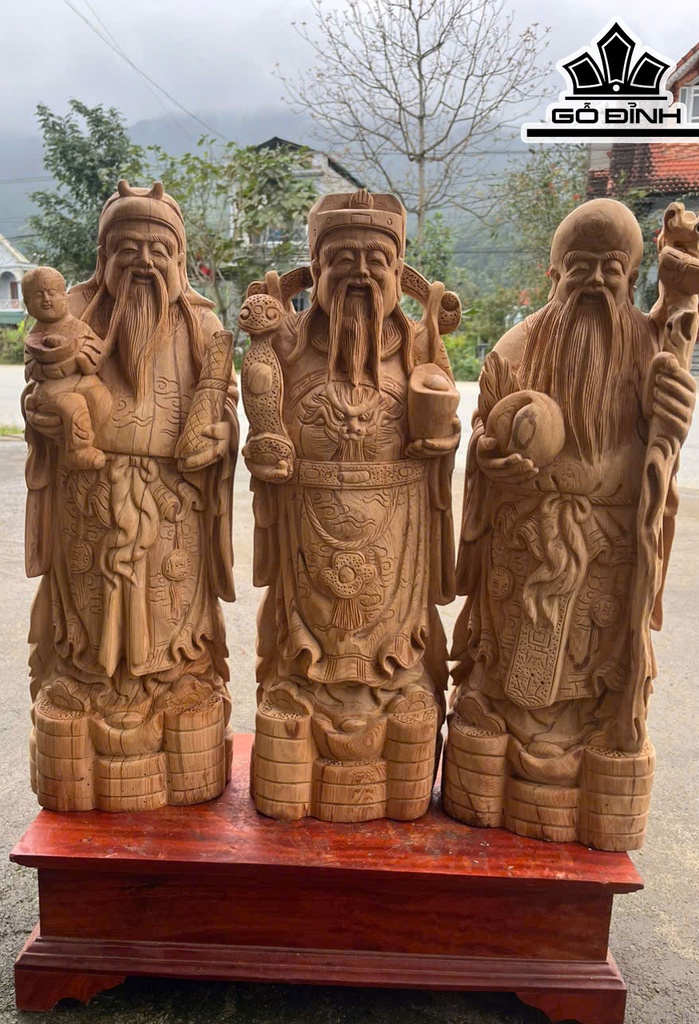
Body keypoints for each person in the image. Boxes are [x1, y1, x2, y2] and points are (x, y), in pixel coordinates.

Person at [445, 198, 699, 850]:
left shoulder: (651, 347)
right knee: (511, 647)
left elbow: (660, 451)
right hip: (528, 536)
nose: (593, 280)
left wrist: (673, 420)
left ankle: (585, 738)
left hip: (607, 546)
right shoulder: (515, 348)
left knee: (596, 655)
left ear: (633, 276)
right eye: (579, 266)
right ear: (554, 272)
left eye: (611, 267)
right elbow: (484, 429)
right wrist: (489, 457)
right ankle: (502, 725)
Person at [240, 189, 460, 822]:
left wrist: (442, 441)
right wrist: (265, 451)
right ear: (316, 268)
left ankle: (392, 687)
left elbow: (443, 415)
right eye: (343, 259)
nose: (361, 272)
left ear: (398, 270)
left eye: (376, 259)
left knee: (390, 627)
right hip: (307, 527)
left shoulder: (418, 346)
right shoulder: (287, 346)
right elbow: (262, 419)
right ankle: (304, 687)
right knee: (309, 627)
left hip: (398, 529)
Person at [23, 181, 238, 812]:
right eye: (127, 249)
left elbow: (223, 403)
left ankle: (173, 685)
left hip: (173, 501)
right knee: (91, 604)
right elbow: (38, 387)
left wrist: (221, 435)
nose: (143, 262)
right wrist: (40, 415)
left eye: (158, 250)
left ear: (179, 259)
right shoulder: (72, 317)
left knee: (170, 605)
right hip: (88, 494)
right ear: (103, 257)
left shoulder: (200, 325)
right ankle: (89, 686)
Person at [22, 266, 108, 470]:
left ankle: (94, 437)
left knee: (102, 400)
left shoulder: (79, 328)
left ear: (64, 296)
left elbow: (95, 357)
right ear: (27, 303)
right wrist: (53, 365)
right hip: (52, 392)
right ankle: (79, 449)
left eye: (52, 292)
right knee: (72, 404)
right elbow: (31, 369)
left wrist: (79, 356)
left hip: (86, 384)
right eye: (38, 295)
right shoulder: (34, 336)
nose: (46, 299)